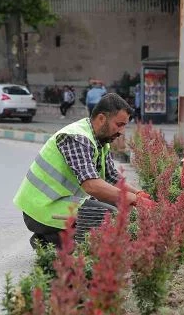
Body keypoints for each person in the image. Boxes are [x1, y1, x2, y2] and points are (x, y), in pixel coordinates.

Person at [13, 93, 150, 248]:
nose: (122, 132)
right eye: (119, 124)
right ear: (101, 119)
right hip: (41, 209)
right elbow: (91, 185)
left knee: (119, 206)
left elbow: (111, 177)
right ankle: (51, 242)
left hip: (61, 204)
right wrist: (132, 198)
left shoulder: (100, 141)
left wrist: (138, 194)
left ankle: (50, 239)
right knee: (108, 216)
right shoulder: (77, 138)